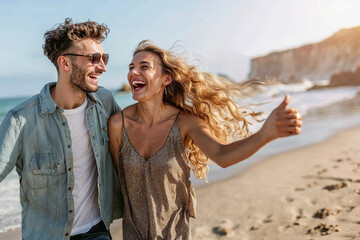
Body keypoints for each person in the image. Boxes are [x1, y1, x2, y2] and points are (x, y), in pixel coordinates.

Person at [108, 40, 303, 239]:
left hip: (175, 234)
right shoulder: (118, 125)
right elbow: (114, 179)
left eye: (144, 67)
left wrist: (265, 134)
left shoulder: (185, 123)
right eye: (131, 67)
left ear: (166, 79)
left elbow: (222, 155)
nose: (133, 73)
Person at [0, 18, 123, 240]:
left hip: (98, 232)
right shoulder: (20, 119)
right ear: (65, 63)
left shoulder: (104, 102)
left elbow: (137, 136)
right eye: (94, 59)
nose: (103, 67)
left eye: (104, 58)